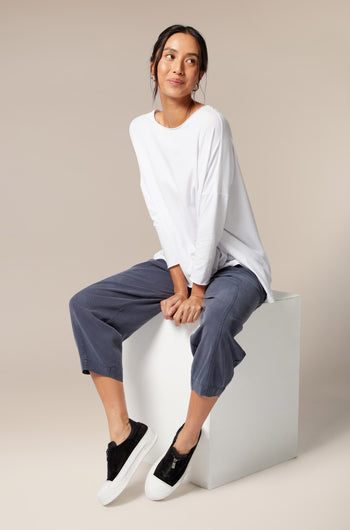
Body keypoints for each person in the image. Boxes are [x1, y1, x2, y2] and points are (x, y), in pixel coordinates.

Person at [69, 23, 274, 505]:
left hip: (236, 263)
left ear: (199, 75)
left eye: (191, 60)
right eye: (169, 55)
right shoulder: (140, 129)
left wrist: (198, 289)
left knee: (216, 321)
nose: (178, 67)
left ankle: (187, 438)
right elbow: (159, 206)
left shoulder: (211, 123)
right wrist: (179, 277)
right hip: (178, 259)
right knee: (87, 306)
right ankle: (124, 436)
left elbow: (213, 208)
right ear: (153, 64)